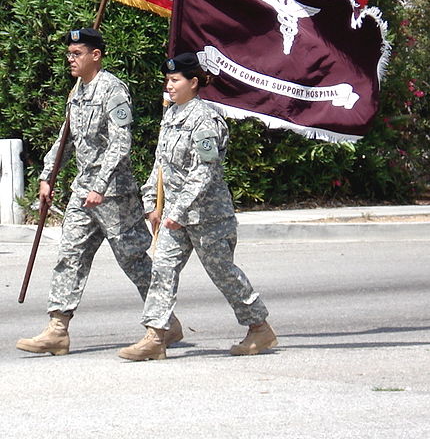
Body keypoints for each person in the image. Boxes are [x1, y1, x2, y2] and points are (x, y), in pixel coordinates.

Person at [16, 28, 182, 356]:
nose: (70, 60)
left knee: (134, 260)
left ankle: (165, 323)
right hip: (84, 194)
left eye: (77, 54)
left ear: (95, 55)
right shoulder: (77, 91)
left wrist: (100, 185)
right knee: (70, 256)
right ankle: (57, 329)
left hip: (114, 196)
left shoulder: (112, 90)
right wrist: (48, 175)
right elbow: (67, 138)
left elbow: (121, 141)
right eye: (69, 54)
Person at [118, 52, 277, 361]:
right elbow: (161, 164)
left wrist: (177, 211)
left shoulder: (205, 119)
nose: (169, 85)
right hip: (175, 217)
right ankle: (155, 335)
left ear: (193, 82)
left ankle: (260, 328)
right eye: (167, 80)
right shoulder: (171, 115)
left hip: (208, 216)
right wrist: (152, 201)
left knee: (223, 273)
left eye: (175, 80)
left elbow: (205, 172)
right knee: (162, 270)